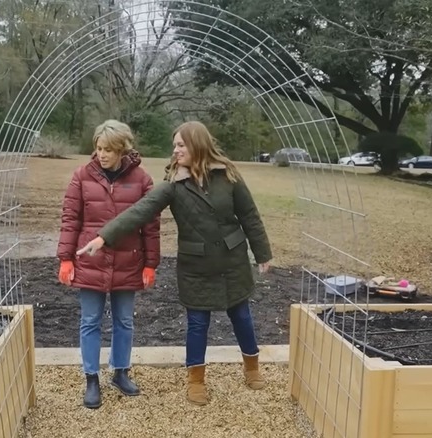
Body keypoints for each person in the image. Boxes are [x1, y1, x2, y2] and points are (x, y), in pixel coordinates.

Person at [76, 121, 272, 406]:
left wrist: (262, 252)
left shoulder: (228, 175)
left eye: (181, 145)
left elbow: (249, 215)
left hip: (233, 261)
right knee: (197, 323)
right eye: (175, 145)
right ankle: (196, 380)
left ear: (197, 145)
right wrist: (104, 237)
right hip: (196, 266)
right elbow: (140, 211)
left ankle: (252, 367)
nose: (175, 150)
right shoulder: (173, 184)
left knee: (241, 316)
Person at [56, 119, 160, 410]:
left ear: (122, 150)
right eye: (99, 148)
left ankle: (121, 371)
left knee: (124, 321)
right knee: (90, 321)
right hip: (91, 260)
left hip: (128, 261)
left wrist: (150, 263)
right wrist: (66, 257)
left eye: (108, 150)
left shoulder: (142, 180)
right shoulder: (81, 176)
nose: (102, 154)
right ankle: (91, 377)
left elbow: (150, 227)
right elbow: (70, 219)